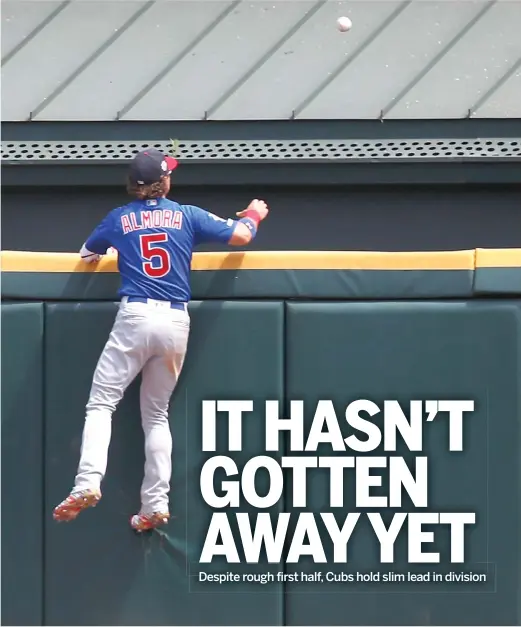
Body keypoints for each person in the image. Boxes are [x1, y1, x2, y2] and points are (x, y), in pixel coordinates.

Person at [53, 148, 269, 532]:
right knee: (156, 415)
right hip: (174, 317)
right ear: (164, 181)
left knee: (102, 404)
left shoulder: (118, 218)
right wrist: (253, 213)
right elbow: (241, 236)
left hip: (135, 315)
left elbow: (86, 254)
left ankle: (87, 483)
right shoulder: (186, 214)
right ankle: (155, 504)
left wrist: (119, 249)